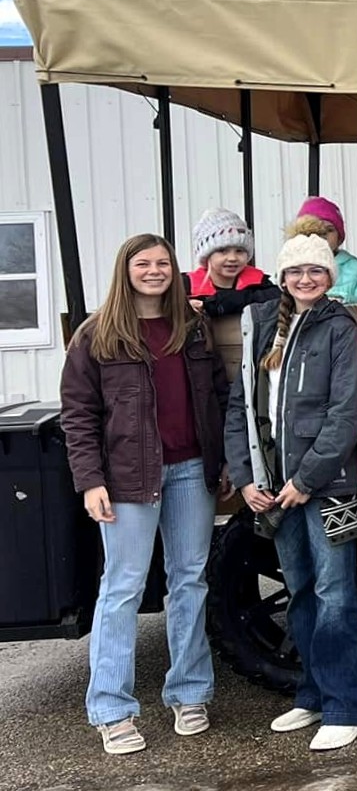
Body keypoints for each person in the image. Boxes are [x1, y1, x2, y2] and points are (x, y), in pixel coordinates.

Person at [61, 234, 227, 756]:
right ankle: (112, 708)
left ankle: (190, 692)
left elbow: (218, 398)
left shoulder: (193, 328)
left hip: (190, 471)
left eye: (163, 263)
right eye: (143, 263)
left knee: (190, 581)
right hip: (127, 480)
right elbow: (78, 417)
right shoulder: (97, 335)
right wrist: (90, 481)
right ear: (125, 270)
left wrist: (221, 464)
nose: (154, 271)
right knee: (122, 590)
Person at [224, 233, 357, 750]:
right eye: (296, 272)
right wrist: (246, 478)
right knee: (302, 592)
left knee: (336, 594)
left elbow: (346, 413)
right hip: (274, 492)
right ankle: (312, 696)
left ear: (330, 277)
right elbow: (240, 408)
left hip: (326, 488)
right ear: (283, 278)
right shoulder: (264, 326)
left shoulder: (340, 329)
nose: (305, 279)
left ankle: (349, 706)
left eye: (315, 271)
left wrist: (304, 479)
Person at [187, 207, 278, 316]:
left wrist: (212, 305)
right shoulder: (186, 286)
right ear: (206, 256)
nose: (232, 258)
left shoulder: (261, 284)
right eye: (222, 251)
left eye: (239, 251)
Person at [286, 196, 357, 303]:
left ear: (340, 237)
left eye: (329, 229)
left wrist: (339, 300)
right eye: (313, 230)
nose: (321, 235)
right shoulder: (287, 267)